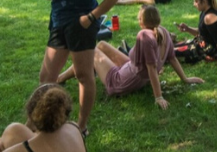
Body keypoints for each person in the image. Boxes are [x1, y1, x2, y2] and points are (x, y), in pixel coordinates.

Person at [39, 0, 119, 132]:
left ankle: (81, 126)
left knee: (83, 75)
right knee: (46, 77)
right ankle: (44, 123)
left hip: (82, 24)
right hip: (58, 20)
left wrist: (91, 18)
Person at [59, 6, 204, 109]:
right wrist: (185, 79)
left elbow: (152, 68)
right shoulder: (164, 31)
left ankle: (61, 78)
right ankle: (63, 77)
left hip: (120, 81)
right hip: (133, 70)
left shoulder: (144, 36)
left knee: (93, 52)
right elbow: (172, 58)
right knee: (102, 44)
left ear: (142, 20)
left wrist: (158, 97)